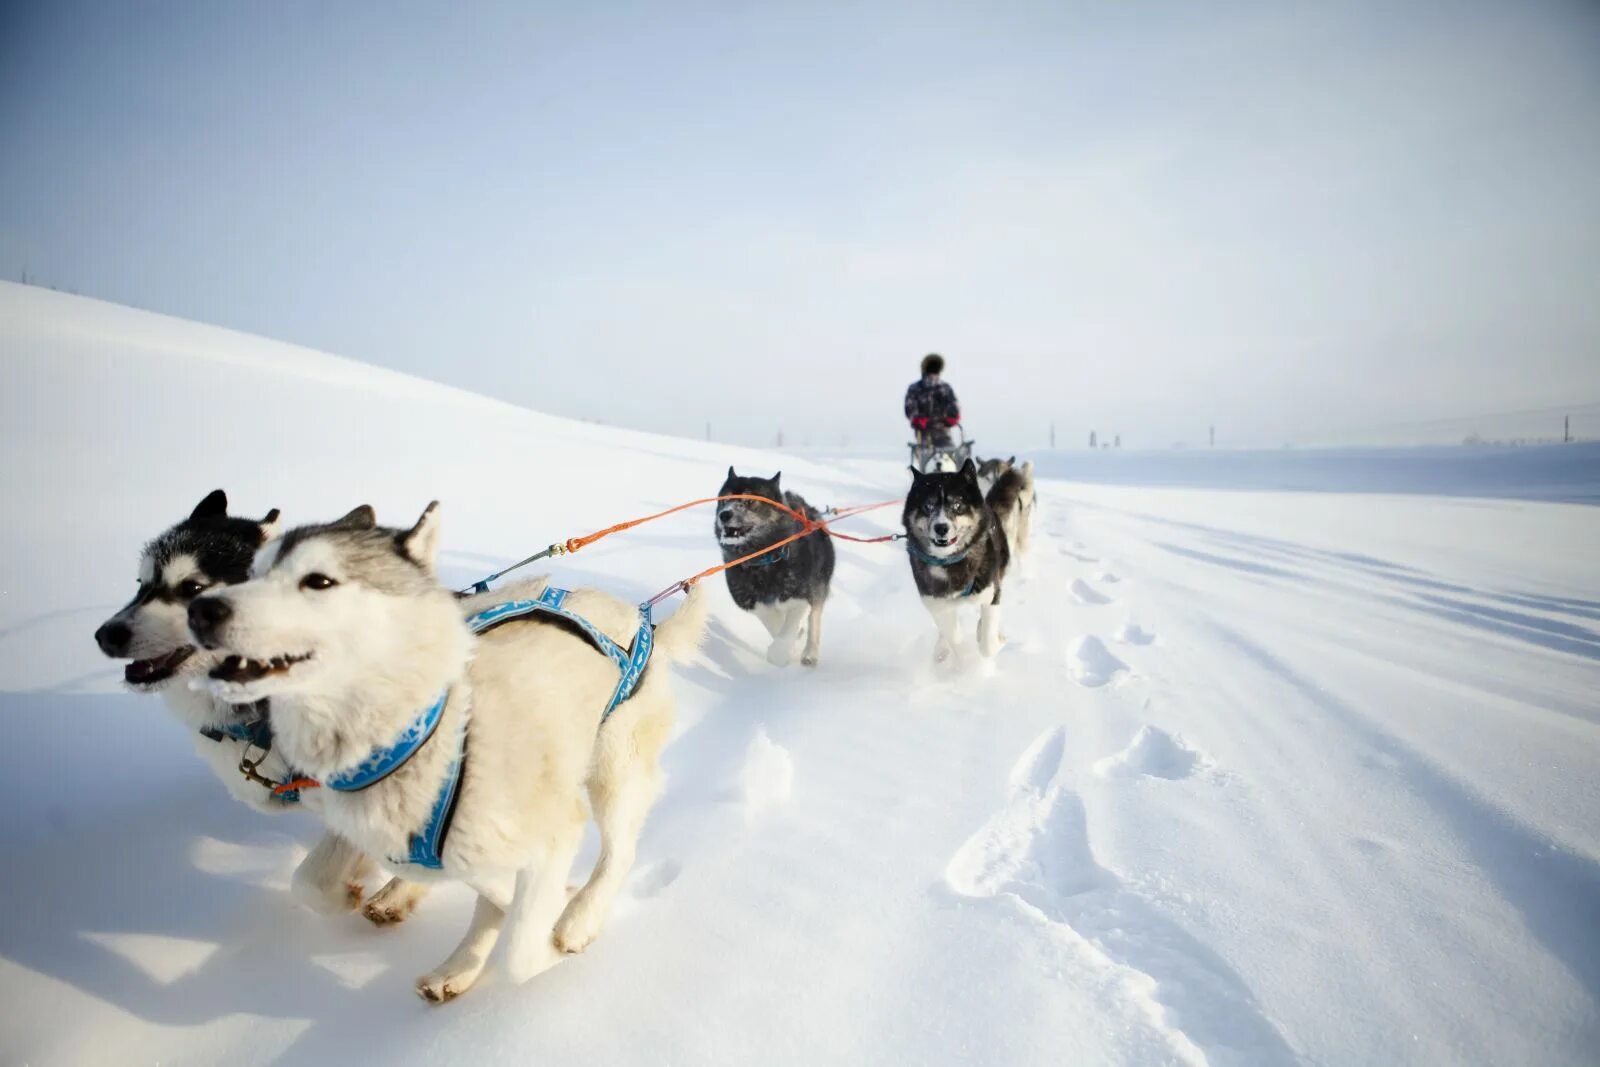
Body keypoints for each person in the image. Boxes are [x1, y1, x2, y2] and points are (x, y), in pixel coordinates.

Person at [905, 353, 961, 449]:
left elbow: (953, 404)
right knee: (926, 458)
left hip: (943, 431)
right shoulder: (915, 388)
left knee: (951, 455)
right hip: (923, 432)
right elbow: (909, 407)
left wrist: (953, 416)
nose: (933, 375)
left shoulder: (945, 388)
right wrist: (917, 419)